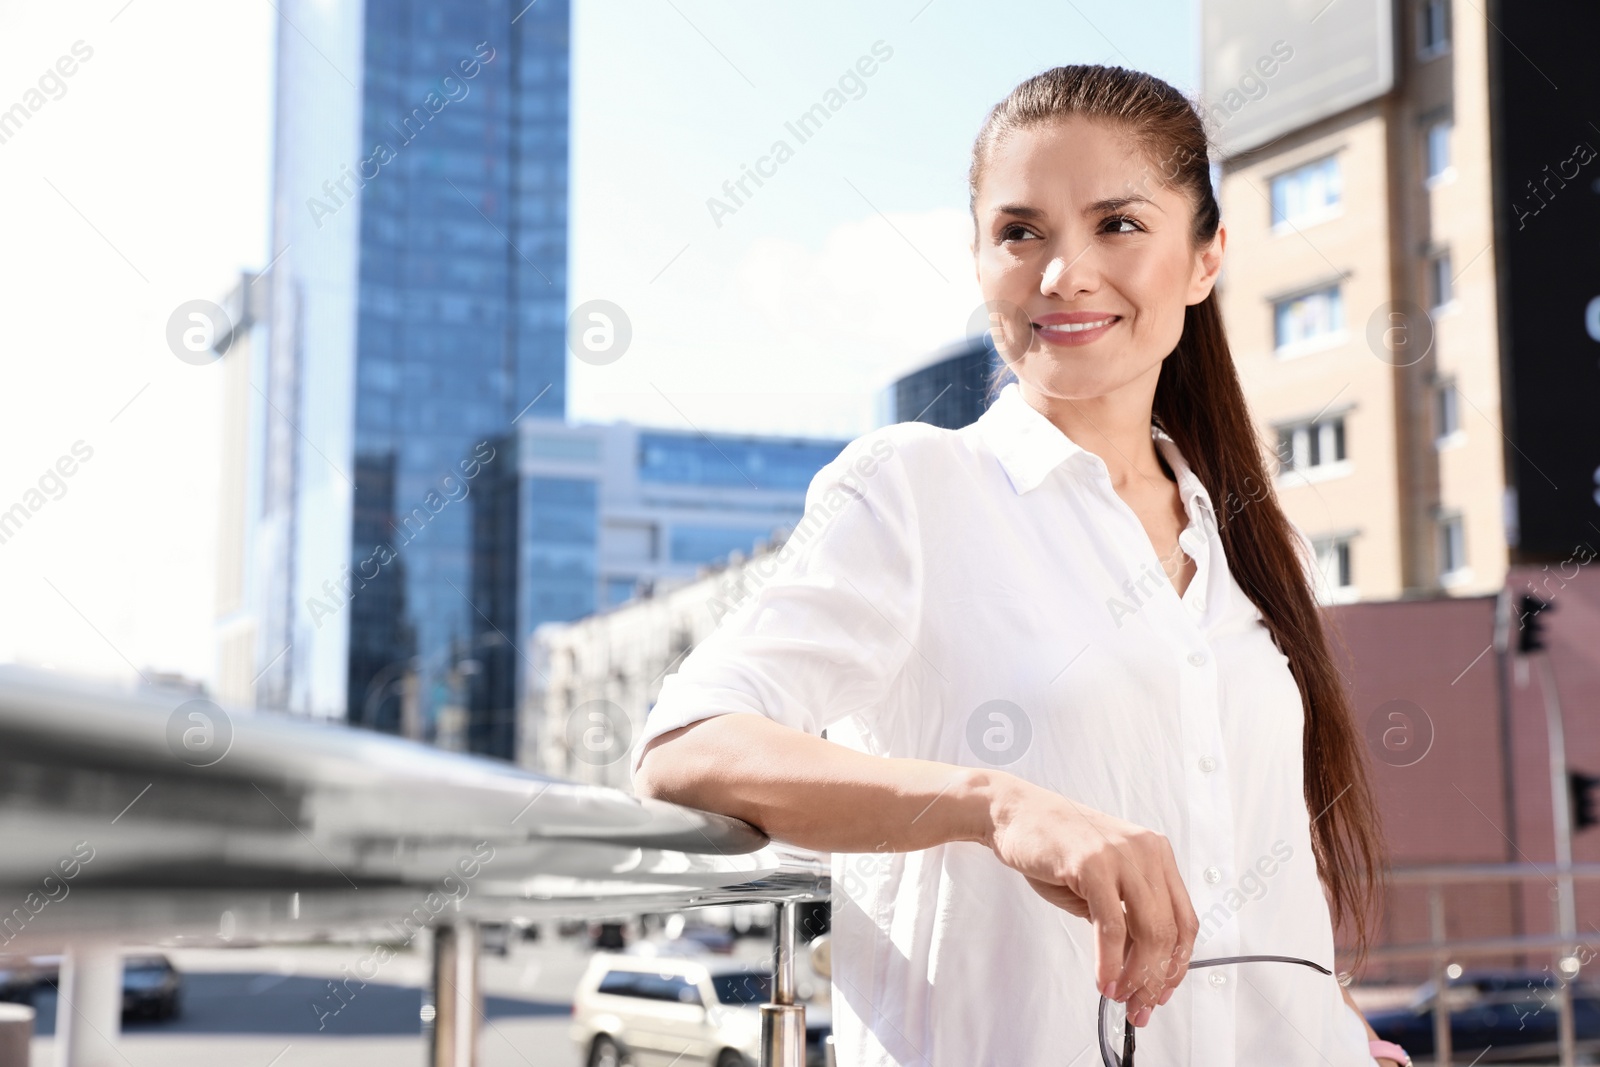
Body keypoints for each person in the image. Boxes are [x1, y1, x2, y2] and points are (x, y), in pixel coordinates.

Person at [633, 65, 1405, 1066]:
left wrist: (1331, 1027)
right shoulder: (913, 490)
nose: (1062, 273)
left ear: (1206, 258)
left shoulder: (1250, 540)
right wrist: (995, 804)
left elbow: (1253, 853)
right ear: (979, 257)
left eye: (1117, 224)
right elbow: (683, 748)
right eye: (1020, 231)